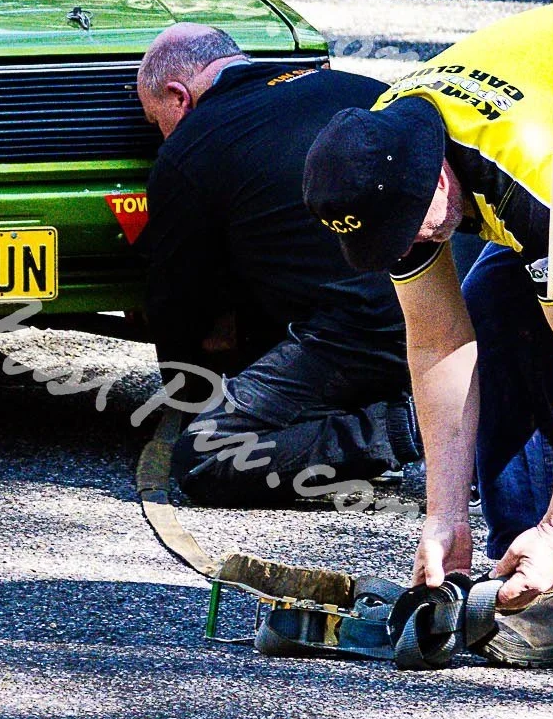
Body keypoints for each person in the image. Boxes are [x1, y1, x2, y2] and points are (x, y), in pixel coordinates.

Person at [303, 6, 553, 667]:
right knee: (490, 307)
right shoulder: (383, 155)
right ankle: (523, 575)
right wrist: (443, 518)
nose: (411, 246)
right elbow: (437, 341)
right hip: (542, 146)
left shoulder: (533, 179)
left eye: (412, 228)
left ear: (438, 177)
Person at [136, 26, 417, 505]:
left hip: (360, 338)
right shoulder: (365, 88)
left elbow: (176, 306)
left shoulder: (192, 147)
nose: (161, 135)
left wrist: (197, 405)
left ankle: (407, 428)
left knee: (204, 457)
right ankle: (444, 399)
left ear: (177, 96)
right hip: (455, 314)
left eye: (154, 120)